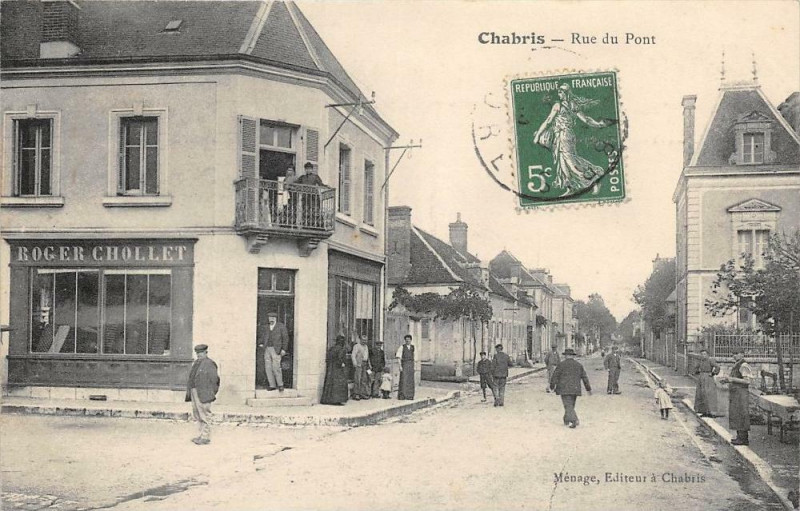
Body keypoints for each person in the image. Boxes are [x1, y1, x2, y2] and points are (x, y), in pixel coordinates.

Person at [533, 83, 617, 196]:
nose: (559, 94)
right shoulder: (572, 104)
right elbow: (586, 119)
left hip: (565, 136)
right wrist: (598, 124)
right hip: (561, 136)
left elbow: (549, 121)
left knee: (571, 162)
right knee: (563, 163)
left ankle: (594, 178)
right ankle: (570, 187)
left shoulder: (560, 105)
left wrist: (538, 135)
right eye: (558, 92)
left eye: (561, 92)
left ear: (566, 93)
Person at [185, 344, 220, 445]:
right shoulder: (197, 363)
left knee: (205, 415)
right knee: (197, 414)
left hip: (204, 393)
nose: (199, 355)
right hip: (194, 391)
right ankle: (201, 435)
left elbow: (215, 380)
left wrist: (210, 393)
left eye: (201, 353)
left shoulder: (210, 363)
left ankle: (206, 437)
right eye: (197, 353)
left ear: (206, 353)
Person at [550, 348, 591, 428]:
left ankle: (574, 420)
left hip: (563, 388)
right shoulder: (578, 365)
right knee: (571, 404)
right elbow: (584, 377)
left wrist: (552, 386)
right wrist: (588, 388)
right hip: (575, 388)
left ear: (566, 356)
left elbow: (555, 376)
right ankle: (566, 419)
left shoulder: (561, 365)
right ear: (573, 356)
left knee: (568, 405)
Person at [719, 348, 753, 445]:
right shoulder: (737, 364)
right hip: (736, 392)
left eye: (736, 353)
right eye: (733, 354)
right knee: (736, 414)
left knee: (741, 413)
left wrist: (732, 379)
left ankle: (744, 438)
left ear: (742, 354)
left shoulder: (744, 365)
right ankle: (739, 437)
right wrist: (727, 380)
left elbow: (747, 381)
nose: (734, 355)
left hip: (741, 393)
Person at [259, 311, 289, 392]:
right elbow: (263, 337)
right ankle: (272, 385)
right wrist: (261, 343)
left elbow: (285, 338)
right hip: (267, 349)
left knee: (276, 367)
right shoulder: (266, 327)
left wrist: (284, 349)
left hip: (276, 349)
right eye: (270, 318)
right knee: (268, 367)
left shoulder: (281, 326)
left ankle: (280, 385)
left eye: (272, 318)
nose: (271, 319)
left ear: (275, 318)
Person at [320, 335, 349, 405]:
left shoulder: (332, 348)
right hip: (338, 369)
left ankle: (328, 399)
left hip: (331, 368)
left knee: (330, 383)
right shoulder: (341, 349)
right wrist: (342, 364)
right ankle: (337, 400)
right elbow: (340, 359)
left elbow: (328, 358)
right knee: (339, 383)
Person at [295, 162, 325, 228]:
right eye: (306, 169)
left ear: (312, 169)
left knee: (315, 210)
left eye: (309, 169)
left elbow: (321, 184)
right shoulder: (302, 177)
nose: (308, 170)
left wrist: (327, 186)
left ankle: (317, 225)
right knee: (305, 210)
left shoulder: (315, 176)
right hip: (305, 197)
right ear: (305, 169)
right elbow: (296, 184)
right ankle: (306, 225)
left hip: (314, 197)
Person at [693, 348, 721, 418]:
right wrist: (697, 372)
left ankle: (711, 412)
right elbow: (696, 367)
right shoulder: (700, 360)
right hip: (701, 377)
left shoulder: (710, 360)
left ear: (708, 354)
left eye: (704, 354)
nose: (703, 355)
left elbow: (717, 367)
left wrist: (713, 373)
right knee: (701, 394)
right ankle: (704, 411)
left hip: (708, 377)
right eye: (702, 354)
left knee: (709, 394)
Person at [351, 334, 371, 400]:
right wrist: (355, 363)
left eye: (365, 340)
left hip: (365, 364)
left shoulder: (366, 347)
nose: (364, 341)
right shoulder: (357, 346)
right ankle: (356, 394)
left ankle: (363, 393)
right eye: (363, 340)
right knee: (357, 379)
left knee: (364, 379)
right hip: (359, 364)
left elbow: (367, 356)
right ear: (360, 340)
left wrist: (369, 364)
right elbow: (353, 355)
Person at [396, 334, 415, 400]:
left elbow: (415, 357)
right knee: (403, 380)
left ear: (411, 340)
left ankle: (409, 396)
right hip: (404, 364)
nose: (408, 341)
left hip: (411, 365)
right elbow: (398, 357)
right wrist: (400, 366)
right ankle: (402, 395)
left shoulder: (413, 347)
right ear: (405, 340)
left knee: (410, 380)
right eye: (406, 340)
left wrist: (415, 367)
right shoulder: (402, 347)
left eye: (409, 340)